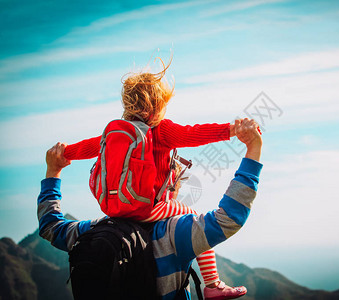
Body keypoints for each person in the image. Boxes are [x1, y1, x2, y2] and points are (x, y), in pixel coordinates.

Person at [61, 61, 243, 294]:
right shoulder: (162, 130)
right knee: (195, 217)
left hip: (115, 208)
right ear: (157, 105)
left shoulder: (118, 133)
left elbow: (89, 147)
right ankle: (213, 285)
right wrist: (231, 130)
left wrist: (65, 154)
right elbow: (194, 133)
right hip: (146, 209)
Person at [38, 118, 263, 300]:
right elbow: (229, 218)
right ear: (167, 183)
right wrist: (253, 149)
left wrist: (53, 171)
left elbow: (50, 226)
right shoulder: (175, 235)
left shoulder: (93, 232)